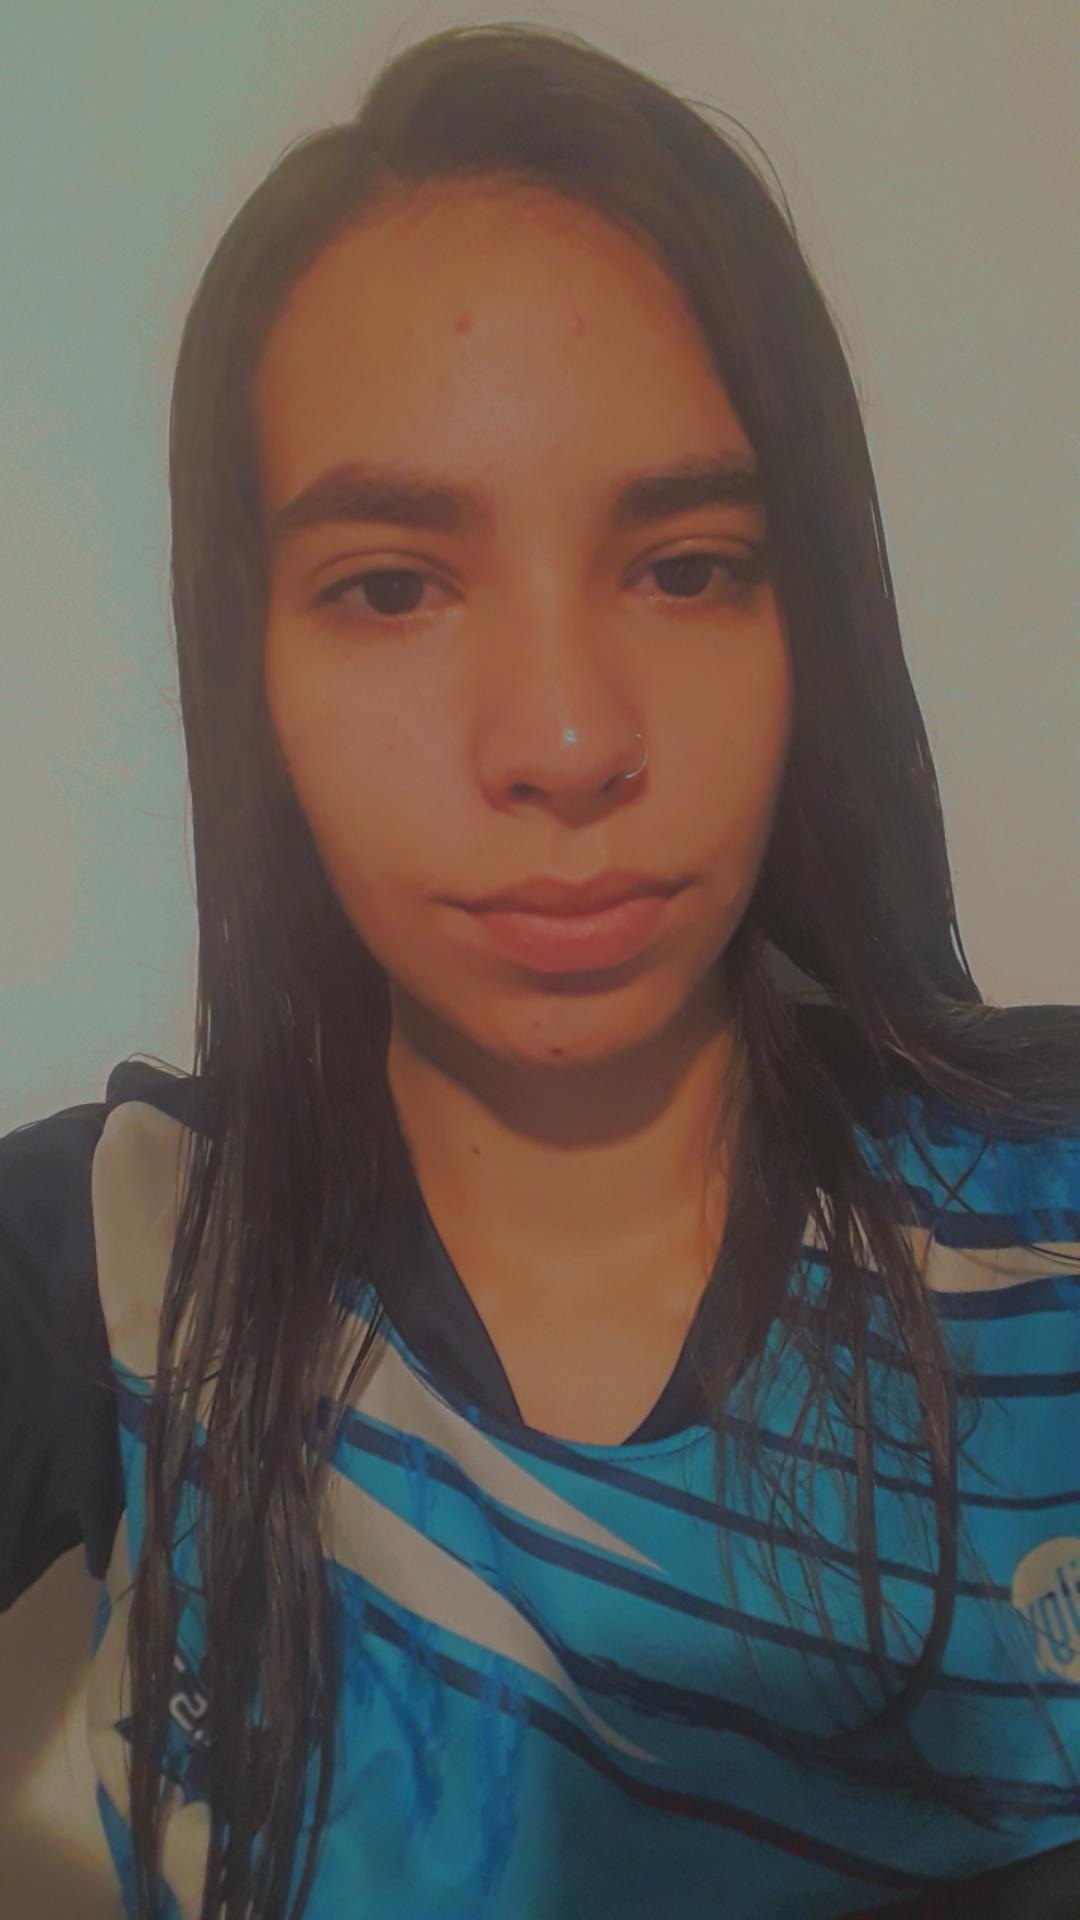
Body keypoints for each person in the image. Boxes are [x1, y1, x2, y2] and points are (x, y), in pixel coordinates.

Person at [1, 21, 1077, 1920]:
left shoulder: (1050, 1203)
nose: (569, 740)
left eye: (689, 565)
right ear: (248, 667)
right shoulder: (111, 1256)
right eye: (391, 587)